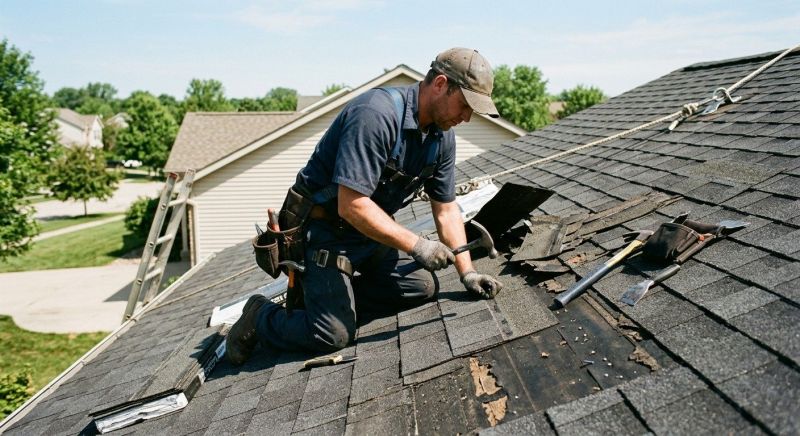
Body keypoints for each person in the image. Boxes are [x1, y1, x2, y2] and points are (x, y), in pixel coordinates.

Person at [227, 48, 504, 365]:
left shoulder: (441, 139)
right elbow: (352, 206)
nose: (467, 117)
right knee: (331, 336)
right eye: (465, 105)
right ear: (441, 84)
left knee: (420, 287)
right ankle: (260, 315)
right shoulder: (376, 115)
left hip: (367, 233)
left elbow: (446, 208)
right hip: (323, 234)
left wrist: (467, 271)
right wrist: (417, 245)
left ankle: (331, 303)